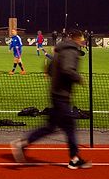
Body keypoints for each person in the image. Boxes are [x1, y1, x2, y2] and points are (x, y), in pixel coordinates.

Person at [11, 29, 92, 169]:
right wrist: (78, 78)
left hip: (55, 93)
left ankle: (23, 143)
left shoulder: (60, 50)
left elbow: (49, 70)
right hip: (62, 95)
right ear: (77, 39)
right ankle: (74, 158)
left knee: (50, 127)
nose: (82, 41)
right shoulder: (71, 51)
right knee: (70, 127)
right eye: (82, 39)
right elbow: (67, 69)